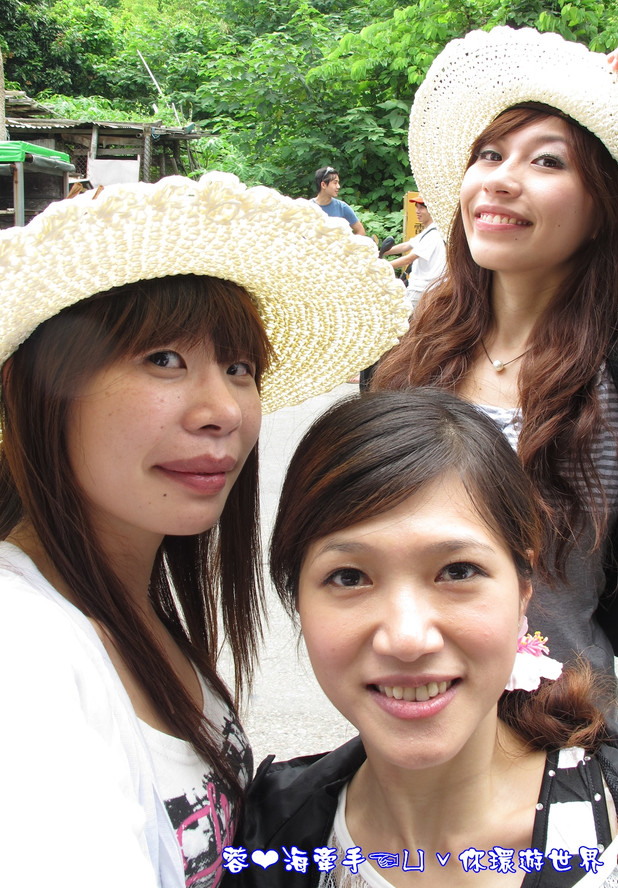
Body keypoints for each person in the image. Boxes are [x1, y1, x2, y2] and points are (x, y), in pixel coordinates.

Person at [0, 172, 409, 888]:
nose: (223, 410)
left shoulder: (123, 602)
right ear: (36, 388)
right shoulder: (22, 650)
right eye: (164, 360)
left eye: (238, 367)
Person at [371, 20, 618, 750]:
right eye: (489, 154)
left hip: (568, 745)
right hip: (406, 732)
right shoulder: (406, 362)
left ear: (604, 209)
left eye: (547, 161)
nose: (501, 178)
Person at [232, 389, 618, 887]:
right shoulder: (265, 840)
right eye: (349, 577)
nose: (407, 640)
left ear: (523, 590)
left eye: (458, 571)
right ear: (297, 599)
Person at [385, 195, 446, 310]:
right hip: (423, 289)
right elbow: (406, 246)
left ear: (432, 210)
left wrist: (381, 266)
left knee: (402, 319)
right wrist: (379, 252)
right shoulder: (429, 231)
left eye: (421, 208)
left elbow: (409, 259)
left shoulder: (433, 235)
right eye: (416, 207)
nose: (417, 211)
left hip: (421, 290)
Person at [312, 166, 366, 235]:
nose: (338, 186)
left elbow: (361, 231)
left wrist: (350, 242)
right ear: (323, 185)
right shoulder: (308, 208)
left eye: (338, 183)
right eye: (335, 183)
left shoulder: (342, 207)